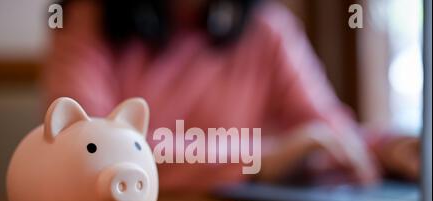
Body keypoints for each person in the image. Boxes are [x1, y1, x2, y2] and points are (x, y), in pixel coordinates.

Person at [44, 0, 419, 191]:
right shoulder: (88, 21)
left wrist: (381, 147)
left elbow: (324, 130)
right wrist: (259, 159)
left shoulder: (268, 28)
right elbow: (88, 152)